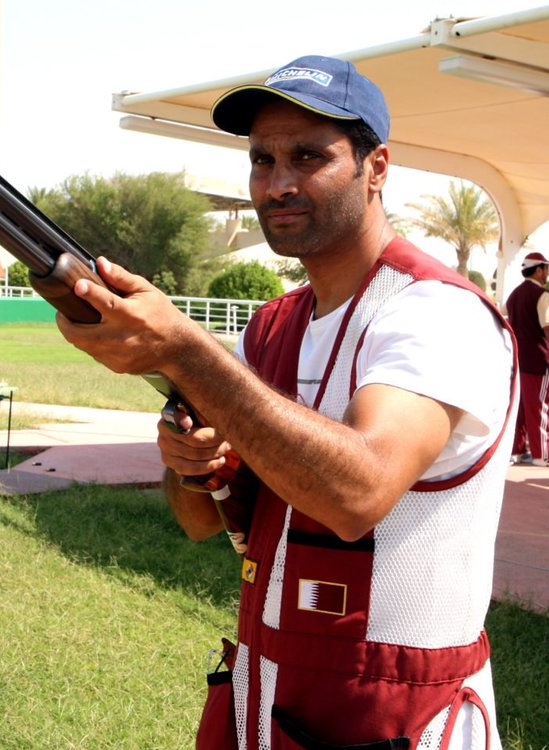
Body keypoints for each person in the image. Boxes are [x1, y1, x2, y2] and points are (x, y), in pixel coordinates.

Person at [56, 55, 516, 749]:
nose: (278, 183)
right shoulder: (271, 325)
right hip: (266, 680)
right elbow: (200, 522)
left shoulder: (434, 314)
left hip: (393, 709)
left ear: (376, 167)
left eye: (308, 156)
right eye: (261, 159)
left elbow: (355, 495)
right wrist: (190, 463)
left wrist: (184, 351)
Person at [506, 251, 549, 467]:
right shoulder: (542, 296)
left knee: (520, 408)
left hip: (518, 361)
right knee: (540, 408)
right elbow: (547, 329)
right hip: (538, 361)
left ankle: (516, 451)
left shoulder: (513, 295)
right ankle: (542, 455)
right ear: (539, 269)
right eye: (546, 269)